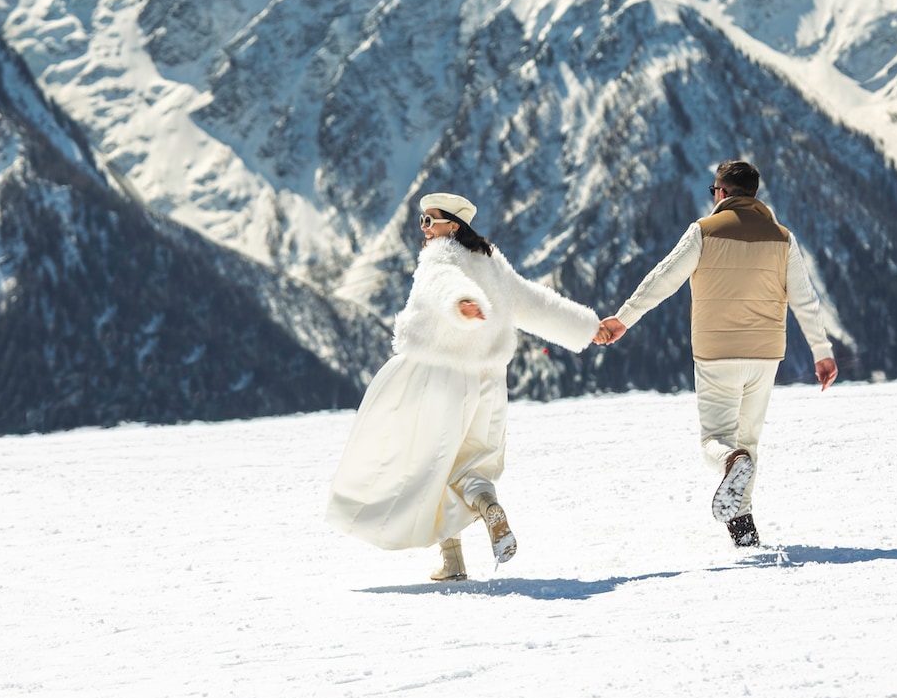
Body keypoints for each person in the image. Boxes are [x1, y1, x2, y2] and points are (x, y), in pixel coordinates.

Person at [327, 192, 609, 582]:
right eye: (422, 220)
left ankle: (454, 559)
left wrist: (462, 300)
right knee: (468, 464)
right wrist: (587, 327)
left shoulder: (438, 257)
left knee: (426, 463)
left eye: (430, 220)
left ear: (453, 225)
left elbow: (443, 283)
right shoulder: (492, 263)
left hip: (440, 376)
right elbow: (534, 302)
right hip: (489, 381)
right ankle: (484, 508)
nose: (424, 228)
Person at [595, 159, 837, 547]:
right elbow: (805, 299)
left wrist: (624, 319)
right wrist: (822, 352)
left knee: (716, 440)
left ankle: (730, 463)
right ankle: (743, 528)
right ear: (754, 194)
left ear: (721, 192)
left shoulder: (704, 231)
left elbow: (663, 278)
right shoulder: (782, 238)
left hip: (717, 354)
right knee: (749, 440)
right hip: (765, 355)